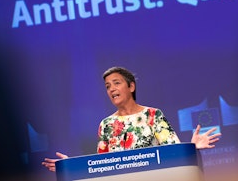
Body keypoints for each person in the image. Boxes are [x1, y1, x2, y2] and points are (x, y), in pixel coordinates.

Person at [42, 66, 221, 172]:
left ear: (131, 86)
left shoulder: (153, 115)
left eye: (116, 83)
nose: (111, 89)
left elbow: (172, 152)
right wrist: (70, 166)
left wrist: (192, 147)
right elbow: (101, 167)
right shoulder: (106, 125)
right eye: (107, 86)